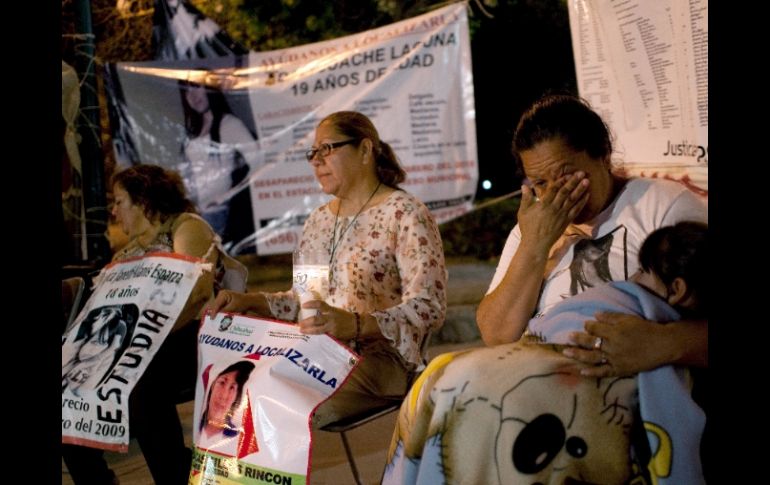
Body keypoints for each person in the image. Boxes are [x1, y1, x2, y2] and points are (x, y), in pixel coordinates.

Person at [208, 110, 448, 428]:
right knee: (235, 400)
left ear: (365, 150)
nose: (317, 161)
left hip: (383, 357)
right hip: (319, 352)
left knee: (281, 414)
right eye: (313, 152)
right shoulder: (319, 220)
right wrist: (248, 302)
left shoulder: (404, 214)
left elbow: (430, 307)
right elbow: (304, 301)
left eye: (328, 148)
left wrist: (357, 324)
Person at [476, 94, 708, 377]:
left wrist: (663, 343)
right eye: (539, 183)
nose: (554, 195)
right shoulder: (531, 229)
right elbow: (496, 334)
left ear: (604, 153)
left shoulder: (663, 206)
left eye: (566, 177)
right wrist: (535, 245)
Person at [62, 164, 232, 485]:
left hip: (193, 337)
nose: (114, 212)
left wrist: (148, 339)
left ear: (144, 201)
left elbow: (197, 292)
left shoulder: (184, 227)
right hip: (138, 348)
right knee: (68, 388)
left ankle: (176, 477)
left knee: (141, 383)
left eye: (119, 202)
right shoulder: (126, 253)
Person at [178, 77, 259, 248]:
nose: (192, 95)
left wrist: (227, 196)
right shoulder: (193, 131)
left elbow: (259, 161)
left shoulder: (228, 124)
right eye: (186, 91)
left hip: (217, 213)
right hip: (195, 213)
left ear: (208, 88)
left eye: (196, 87)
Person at [62, 304, 139, 397]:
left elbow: (114, 346)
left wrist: (94, 360)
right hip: (84, 357)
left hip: (98, 360)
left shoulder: (119, 325)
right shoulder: (97, 320)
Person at [197, 360, 256, 456]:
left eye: (232, 388)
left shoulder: (239, 440)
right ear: (212, 385)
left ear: (237, 397)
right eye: (222, 382)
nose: (223, 396)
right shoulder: (195, 423)